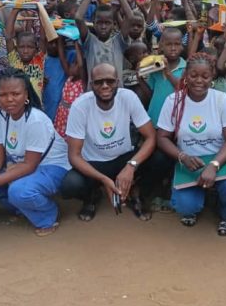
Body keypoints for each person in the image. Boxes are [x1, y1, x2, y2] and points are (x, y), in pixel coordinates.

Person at [0, 69, 71, 237]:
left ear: (26, 95)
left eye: (16, 94)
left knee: (19, 191)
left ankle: (47, 215)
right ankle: (21, 208)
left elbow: (30, 165)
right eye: (3, 94)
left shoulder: (35, 120)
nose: (9, 99)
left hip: (51, 165)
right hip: (19, 163)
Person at [156, 53, 226, 236]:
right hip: (188, 161)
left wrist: (214, 165)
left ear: (212, 76)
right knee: (185, 206)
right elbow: (162, 138)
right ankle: (195, 205)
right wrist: (182, 156)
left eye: (205, 76)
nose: (199, 81)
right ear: (185, 76)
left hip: (219, 158)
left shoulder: (222, 100)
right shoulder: (173, 101)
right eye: (193, 75)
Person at [61, 63, 157, 221]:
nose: (105, 86)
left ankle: (135, 191)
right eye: (99, 82)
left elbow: (151, 137)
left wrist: (131, 166)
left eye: (110, 81)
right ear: (91, 85)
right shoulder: (80, 106)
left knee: (158, 157)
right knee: (70, 184)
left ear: (118, 82)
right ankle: (92, 194)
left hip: (123, 158)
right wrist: (103, 179)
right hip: (94, 163)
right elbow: (74, 156)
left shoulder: (128, 97)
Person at [75, 0, 134, 87]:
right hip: (94, 93)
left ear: (113, 24)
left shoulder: (118, 42)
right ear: (93, 23)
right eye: (99, 23)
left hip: (116, 92)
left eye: (107, 23)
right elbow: (78, 18)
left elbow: (130, 18)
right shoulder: (90, 42)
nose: (103, 27)